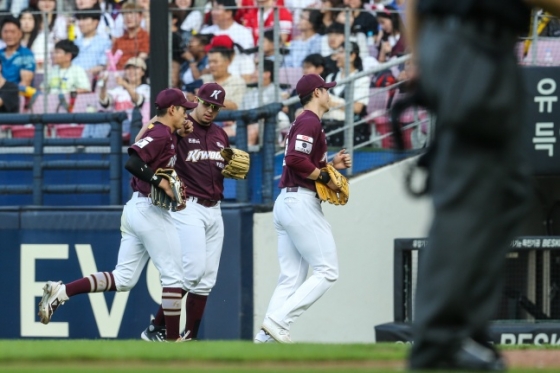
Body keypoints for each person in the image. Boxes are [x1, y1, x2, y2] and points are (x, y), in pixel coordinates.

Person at [404, 0, 560, 370]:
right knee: (471, 191)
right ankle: (439, 343)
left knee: (507, 191)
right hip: (470, 41)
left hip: (479, 46)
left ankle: (464, 333)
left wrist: (420, 54)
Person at [37, 88, 197, 342]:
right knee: (174, 277)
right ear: (172, 110)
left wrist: (178, 133)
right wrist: (161, 183)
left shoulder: (164, 132)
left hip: (137, 209)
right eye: (184, 109)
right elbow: (132, 162)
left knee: (123, 279)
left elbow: (148, 139)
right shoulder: (159, 133)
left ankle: (62, 292)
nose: (187, 113)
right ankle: (171, 339)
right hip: (149, 210)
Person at [136, 83, 238, 342]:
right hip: (187, 206)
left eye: (216, 107)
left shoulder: (220, 135)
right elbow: (141, 140)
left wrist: (230, 165)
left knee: (206, 280)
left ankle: (190, 338)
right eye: (206, 104)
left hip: (215, 208)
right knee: (192, 272)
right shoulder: (180, 128)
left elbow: (220, 169)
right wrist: (178, 132)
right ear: (197, 100)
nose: (210, 111)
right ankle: (156, 327)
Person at [255, 73, 352, 343]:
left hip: (288, 201)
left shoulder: (306, 121)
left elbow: (302, 159)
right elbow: (295, 159)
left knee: (290, 278)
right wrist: (323, 177)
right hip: (300, 203)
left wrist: (330, 164)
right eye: (327, 89)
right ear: (318, 93)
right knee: (327, 270)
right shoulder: (309, 120)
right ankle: (278, 322)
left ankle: (264, 339)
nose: (330, 94)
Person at [84, 56, 150, 138]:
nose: (131, 71)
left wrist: (125, 84)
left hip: (132, 125)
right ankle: (81, 146)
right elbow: (105, 102)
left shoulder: (146, 89)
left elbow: (138, 101)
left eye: (135, 68)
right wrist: (103, 85)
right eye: (128, 69)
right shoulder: (118, 90)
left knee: (106, 124)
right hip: (115, 125)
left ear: (143, 72)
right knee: (94, 118)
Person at [73, 7, 113, 77]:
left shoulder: (105, 43)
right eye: (79, 19)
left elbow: (102, 65)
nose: (81, 23)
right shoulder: (74, 43)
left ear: (95, 22)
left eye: (84, 19)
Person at [112, 1, 149, 70]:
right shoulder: (119, 40)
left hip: (134, 72)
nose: (128, 17)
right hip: (116, 74)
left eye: (132, 14)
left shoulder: (145, 36)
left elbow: (142, 58)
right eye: (125, 14)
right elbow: (111, 61)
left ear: (140, 17)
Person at [0, 15, 35, 87]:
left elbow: (25, 83)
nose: (9, 35)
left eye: (13, 32)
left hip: (18, 95)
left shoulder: (26, 55)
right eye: (5, 32)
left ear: (20, 33)